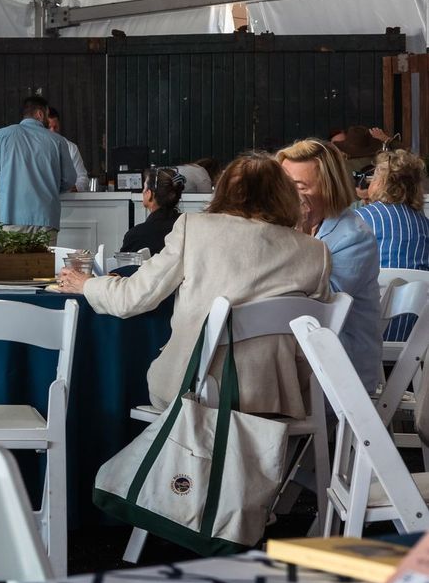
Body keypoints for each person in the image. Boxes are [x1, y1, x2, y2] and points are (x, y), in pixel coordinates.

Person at [58, 153, 331, 418]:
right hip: (276, 399)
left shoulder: (194, 228)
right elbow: (314, 343)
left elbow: (134, 297)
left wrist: (88, 285)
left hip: (195, 390)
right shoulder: (315, 252)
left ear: (223, 191)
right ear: (284, 195)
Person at [277, 138, 382, 391]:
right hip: (299, 361)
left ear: (329, 187)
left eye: (299, 186)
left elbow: (315, 306)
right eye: (283, 186)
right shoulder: (285, 229)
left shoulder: (354, 237)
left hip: (338, 372)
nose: (288, 195)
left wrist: (297, 236)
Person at [0, 95, 76, 244]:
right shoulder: (57, 141)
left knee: (16, 266)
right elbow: (70, 179)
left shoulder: (3, 135)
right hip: (47, 219)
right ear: (40, 114)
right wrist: (50, 187)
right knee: (44, 266)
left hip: (13, 217)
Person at [356, 149, 429, 340]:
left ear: (383, 182)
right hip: (415, 335)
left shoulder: (359, 219)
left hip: (369, 332)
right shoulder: (424, 224)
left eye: (373, 176)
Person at [121, 166, 184, 256]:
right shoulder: (187, 226)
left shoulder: (136, 235)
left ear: (149, 194)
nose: (142, 192)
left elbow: (124, 267)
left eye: (144, 187)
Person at [45, 106, 89, 191]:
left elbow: (83, 179)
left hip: (68, 200)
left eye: (55, 127)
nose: (52, 131)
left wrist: (72, 188)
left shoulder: (71, 147)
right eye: (49, 127)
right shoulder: (36, 148)